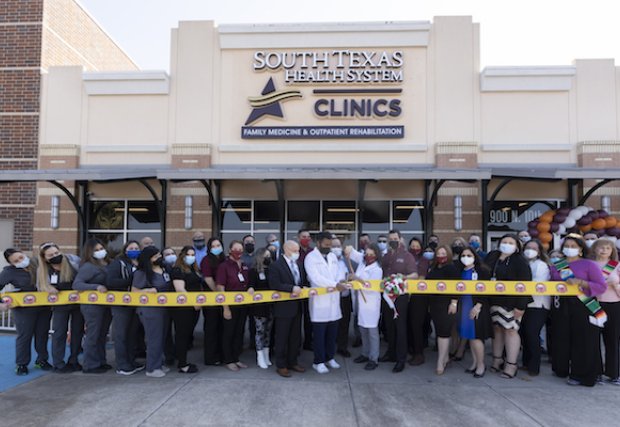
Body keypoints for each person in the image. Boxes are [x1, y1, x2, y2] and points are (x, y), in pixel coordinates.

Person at [550, 234, 606, 386]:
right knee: (562, 338)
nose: (570, 249)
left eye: (573, 246)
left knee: (584, 340)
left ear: (581, 249)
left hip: (584, 304)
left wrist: (581, 282)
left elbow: (601, 286)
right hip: (562, 305)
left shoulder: (589, 264)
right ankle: (561, 369)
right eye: (567, 246)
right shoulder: (557, 265)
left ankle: (581, 375)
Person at [485, 233, 532, 379]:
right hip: (493, 301)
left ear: (517, 246)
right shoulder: (492, 257)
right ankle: (497, 359)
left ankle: (511, 364)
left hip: (513, 303)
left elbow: (525, 285)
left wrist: (521, 306)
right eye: (504, 241)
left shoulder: (520, 261)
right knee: (497, 330)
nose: (507, 244)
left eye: (511, 242)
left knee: (511, 330)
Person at [1, 248, 52, 375]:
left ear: (24, 254)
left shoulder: (37, 263)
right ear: (11, 264)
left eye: (21, 257)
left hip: (43, 306)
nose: (20, 261)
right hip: (23, 309)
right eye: (16, 261)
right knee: (25, 336)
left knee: (42, 334)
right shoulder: (9, 272)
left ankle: (42, 360)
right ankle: (21, 364)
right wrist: (1, 304)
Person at [305, 231, 349, 374]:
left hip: (334, 302)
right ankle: (318, 361)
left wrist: (340, 281)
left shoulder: (332, 257)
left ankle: (330, 357)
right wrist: (335, 284)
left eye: (330, 245)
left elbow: (339, 272)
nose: (329, 247)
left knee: (332, 334)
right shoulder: (310, 258)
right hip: (320, 302)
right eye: (326, 244)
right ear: (318, 243)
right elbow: (315, 278)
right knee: (319, 335)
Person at [37, 242, 83, 373]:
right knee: (59, 333)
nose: (55, 256)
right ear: (45, 258)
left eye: (56, 253)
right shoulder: (43, 269)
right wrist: (48, 288)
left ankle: (74, 360)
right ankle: (58, 363)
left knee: (77, 332)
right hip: (59, 305)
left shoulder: (73, 262)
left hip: (78, 303)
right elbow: (40, 286)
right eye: (51, 255)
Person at [380, 230, 418, 373]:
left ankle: (401, 359)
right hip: (387, 295)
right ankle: (391, 354)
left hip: (400, 296)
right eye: (391, 239)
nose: (393, 241)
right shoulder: (386, 256)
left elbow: (414, 274)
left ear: (401, 239)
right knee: (389, 326)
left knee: (400, 327)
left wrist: (404, 277)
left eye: (395, 238)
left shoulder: (407, 256)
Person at [73, 238, 112, 374]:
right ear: (89, 252)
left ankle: (101, 361)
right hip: (92, 305)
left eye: (101, 249)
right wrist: (96, 287)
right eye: (96, 250)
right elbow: (77, 284)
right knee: (93, 334)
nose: (100, 252)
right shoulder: (88, 267)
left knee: (102, 334)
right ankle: (90, 365)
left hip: (106, 304)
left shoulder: (107, 264)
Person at [132, 246, 171, 378]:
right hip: (150, 310)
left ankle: (159, 362)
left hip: (164, 309)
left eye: (159, 255)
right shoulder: (141, 273)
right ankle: (152, 368)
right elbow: (134, 291)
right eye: (155, 256)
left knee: (162, 337)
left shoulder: (164, 269)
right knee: (154, 338)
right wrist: (149, 291)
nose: (159, 258)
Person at [106, 240, 144, 376]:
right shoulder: (118, 263)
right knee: (121, 334)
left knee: (132, 334)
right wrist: (132, 282)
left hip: (135, 304)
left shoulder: (140, 264)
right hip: (121, 304)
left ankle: (131, 360)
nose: (134, 250)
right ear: (125, 250)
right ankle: (122, 364)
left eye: (136, 247)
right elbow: (110, 281)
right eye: (131, 248)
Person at [268, 241, 305, 378]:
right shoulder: (275, 266)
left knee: (295, 337)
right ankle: (281, 365)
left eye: (298, 251)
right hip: (283, 308)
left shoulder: (299, 264)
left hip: (297, 307)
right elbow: (274, 284)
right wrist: (291, 288)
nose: (297, 253)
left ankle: (293, 362)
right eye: (295, 250)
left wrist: (304, 288)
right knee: (282, 338)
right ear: (286, 250)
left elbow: (302, 282)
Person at [346, 243, 383, 370]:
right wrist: (349, 249)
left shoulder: (377, 270)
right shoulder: (362, 263)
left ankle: (374, 358)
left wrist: (356, 279)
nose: (369, 256)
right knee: (363, 330)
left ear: (377, 255)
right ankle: (365, 353)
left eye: (372, 254)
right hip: (361, 303)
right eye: (367, 254)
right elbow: (353, 253)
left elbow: (371, 287)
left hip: (371, 303)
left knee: (372, 332)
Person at [456, 247, 492, 378]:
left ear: (474, 256)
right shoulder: (460, 270)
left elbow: (485, 289)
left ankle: (481, 364)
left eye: (469, 255)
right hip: (463, 306)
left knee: (476, 337)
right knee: (469, 337)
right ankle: (475, 362)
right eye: (463, 255)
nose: (466, 257)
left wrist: (478, 306)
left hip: (476, 307)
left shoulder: (482, 270)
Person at [426, 245, 460, 375]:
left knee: (443, 332)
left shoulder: (452, 268)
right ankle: (445, 357)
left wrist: (454, 302)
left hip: (447, 304)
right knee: (440, 331)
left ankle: (440, 361)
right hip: (435, 305)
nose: (441, 255)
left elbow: (457, 286)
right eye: (439, 253)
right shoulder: (433, 268)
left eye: (443, 253)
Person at [217, 240, 250, 371]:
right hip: (230, 305)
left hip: (243, 305)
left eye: (241, 249)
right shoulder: (224, 266)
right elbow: (220, 287)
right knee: (228, 333)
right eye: (236, 249)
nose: (238, 252)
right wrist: (225, 307)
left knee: (239, 332)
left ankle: (236, 357)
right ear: (230, 250)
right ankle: (228, 359)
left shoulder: (244, 265)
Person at [591, 238, 620, 385]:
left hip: (614, 305)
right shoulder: (589, 265)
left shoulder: (616, 265)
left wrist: (615, 285)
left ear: (612, 251)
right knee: (594, 339)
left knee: (612, 339)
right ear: (595, 249)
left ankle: (614, 373)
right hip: (594, 305)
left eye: (607, 248)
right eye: (601, 247)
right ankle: (596, 373)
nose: (604, 250)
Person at [520, 239, 551, 376]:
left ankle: (534, 366)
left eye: (534, 248)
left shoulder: (541, 265)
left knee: (532, 334)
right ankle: (526, 363)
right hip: (524, 303)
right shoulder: (522, 263)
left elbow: (537, 284)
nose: (530, 250)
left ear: (539, 252)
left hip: (538, 304)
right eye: (528, 247)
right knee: (524, 333)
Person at [170, 246, 203, 374]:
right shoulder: (177, 270)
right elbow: (180, 289)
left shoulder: (193, 269)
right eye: (188, 254)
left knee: (187, 334)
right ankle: (182, 364)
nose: (191, 257)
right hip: (183, 308)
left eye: (193, 254)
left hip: (194, 308)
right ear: (182, 256)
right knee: (182, 335)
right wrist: (193, 302)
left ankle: (181, 358)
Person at [200, 237, 226, 365]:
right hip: (211, 298)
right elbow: (208, 278)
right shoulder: (206, 260)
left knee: (221, 327)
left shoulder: (223, 259)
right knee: (211, 327)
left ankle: (221, 354)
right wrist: (217, 293)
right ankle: (210, 357)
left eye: (218, 245)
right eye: (214, 246)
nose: (217, 248)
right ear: (209, 248)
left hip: (223, 299)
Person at [248, 248, 274, 369]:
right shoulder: (253, 271)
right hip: (259, 307)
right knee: (260, 331)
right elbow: (251, 285)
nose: (268, 258)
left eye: (269, 255)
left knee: (268, 331)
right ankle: (259, 356)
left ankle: (266, 354)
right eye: (266, 256)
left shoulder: (272, 270)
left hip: (271, 306)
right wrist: (251, 289)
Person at [407, 236, 430, 366]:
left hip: (419, 297)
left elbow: (421, 277)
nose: (415, 248)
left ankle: (419, 354)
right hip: (407, 296)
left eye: (417, 246)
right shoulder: (407, 258)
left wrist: (408, 279)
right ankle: (411, 349)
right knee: (409, 324)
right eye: (413, 246)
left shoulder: (424, 260)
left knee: (417, 326)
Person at [332, 237, 353, 358]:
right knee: (333, 323)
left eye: (338, 246)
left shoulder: (346, 260)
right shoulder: (327, 261)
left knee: (345, 323)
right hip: (333, 296)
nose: (336, 249)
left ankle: (342, 347)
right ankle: (331, 345)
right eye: (333, 246)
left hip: (345, 297)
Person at [297, 229, 314, 350]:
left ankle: (308, 342)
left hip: (310, 288)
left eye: (308, 237)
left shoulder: (313, 252)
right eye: (304, 236)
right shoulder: (294, 251)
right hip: (297, 288)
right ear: (298, 238)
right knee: (297, 317)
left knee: (309, 317)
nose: (306, 239)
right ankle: (296, 343)